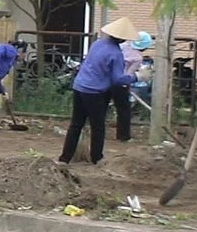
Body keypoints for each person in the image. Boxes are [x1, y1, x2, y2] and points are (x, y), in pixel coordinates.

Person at [57, 17, 152, 165]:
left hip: (80, 85)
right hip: (94, 91)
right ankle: (97, 158)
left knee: (76, 124)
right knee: (98, 126)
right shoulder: (115, 53)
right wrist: (137, 77)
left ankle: (64, 158)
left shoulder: (97, 43)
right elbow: (118, 80)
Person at [109, 30, 153, 142]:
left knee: (102, 106)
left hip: (107, 79)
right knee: (124, 110)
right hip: (120, 83)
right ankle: (123, 136)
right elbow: (128, 74)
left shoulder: (122, 46)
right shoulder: (137, 58)